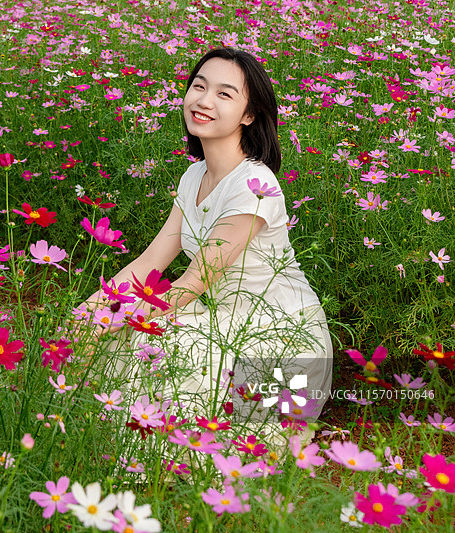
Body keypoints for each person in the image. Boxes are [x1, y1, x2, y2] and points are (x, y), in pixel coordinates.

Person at [80, 47, 333, 449]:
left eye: (225, 94)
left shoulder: (256, 185)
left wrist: (121, 315)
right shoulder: (194, 174)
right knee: (105, 332)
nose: (204, 100)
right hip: (220, 314)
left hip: (277, 332)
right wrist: (93, 309)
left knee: (158, 345)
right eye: (199, 86)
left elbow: (195, 280)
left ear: (250, 115)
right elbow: (150, 262)